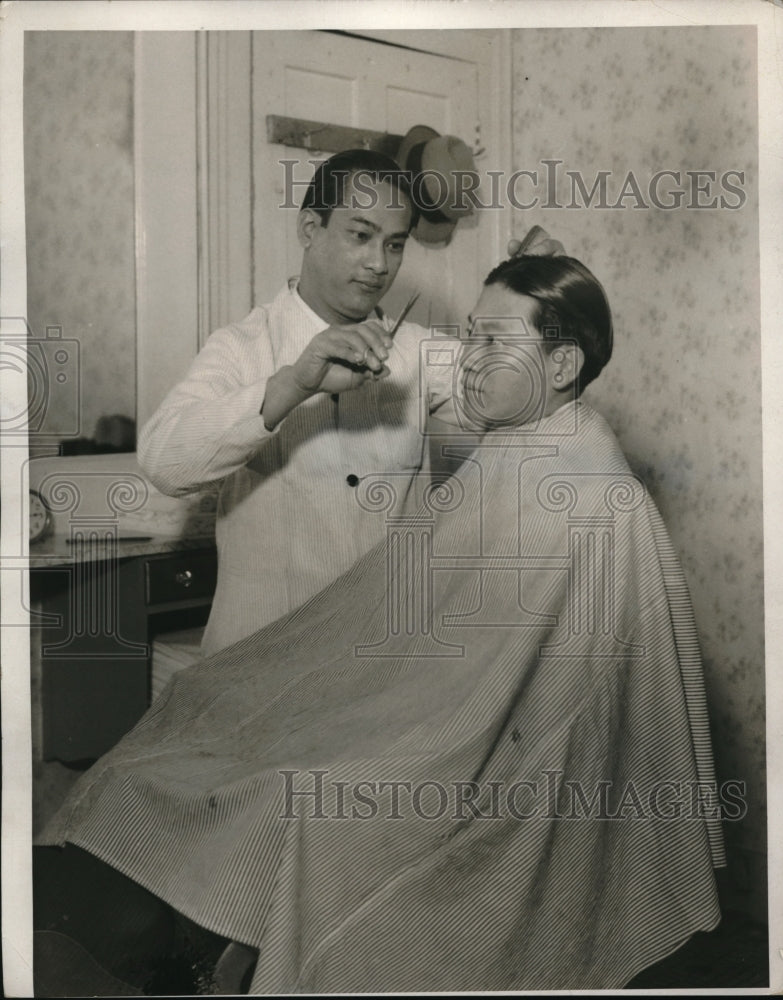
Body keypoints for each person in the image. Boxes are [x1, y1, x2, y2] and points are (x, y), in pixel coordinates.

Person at [35, 252, 725, 995]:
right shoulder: (515, 448)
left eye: (493, 342)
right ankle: (165, 943)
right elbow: (172, 459)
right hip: (413, 707)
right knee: (199, 702)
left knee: (297, 790)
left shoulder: (595, 496)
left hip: (492, 765)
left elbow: (556, 710)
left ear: (560, 363)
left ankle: (223, 951)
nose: (465, 362)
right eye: (467, 338)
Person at [137, 149, 553, 655]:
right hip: (254, 666)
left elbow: (528, 397)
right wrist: (294, 384)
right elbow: (164, 464)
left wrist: (542, 297)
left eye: (395, 244)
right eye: (360, 235)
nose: (379, 264)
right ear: (310, 228)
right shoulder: (244, 346)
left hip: (371, 665)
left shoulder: (417, 351)